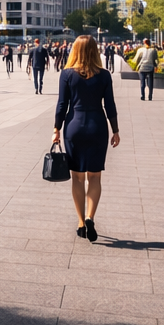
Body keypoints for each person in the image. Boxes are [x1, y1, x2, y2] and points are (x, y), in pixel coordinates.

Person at [53, 35, 120, 243]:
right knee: (95, 176)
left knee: (78, 177)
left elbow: (62, 105)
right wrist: (115, 130)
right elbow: (110, 105)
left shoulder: (66, 74)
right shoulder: (104, 75)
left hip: (74, 126)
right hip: (97, 126)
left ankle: (81, 222)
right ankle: (91, 216)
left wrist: (56, 129)